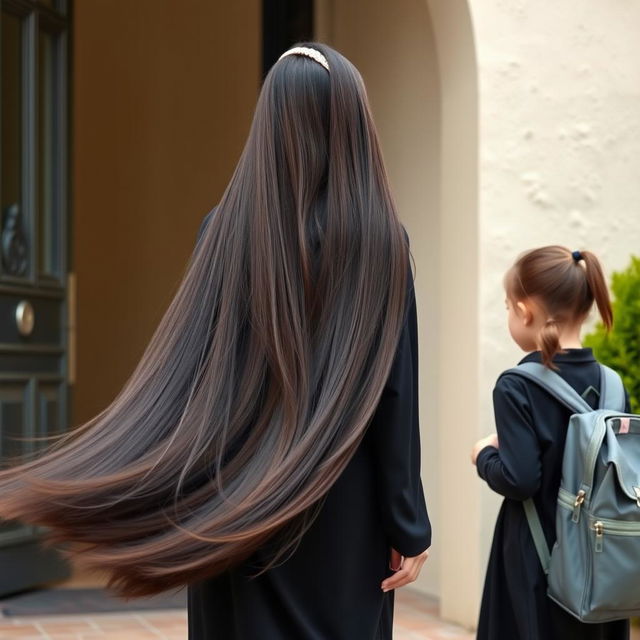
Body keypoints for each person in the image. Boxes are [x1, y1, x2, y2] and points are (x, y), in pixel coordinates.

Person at [0, 43, 431, 639]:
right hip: (344, 505)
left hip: (235, 492)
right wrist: (408, 523)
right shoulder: (384, 241)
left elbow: (198, 374)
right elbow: (395, 392)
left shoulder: (223, 229)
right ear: (351, 122)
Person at [471, 246, 630, 640]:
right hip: (601, 565)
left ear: (525, 311)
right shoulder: (612, 384)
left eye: (508, 307)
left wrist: (484, 455)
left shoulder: (517, 385)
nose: (509, 316)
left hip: (536, 561)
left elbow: (520, 478)